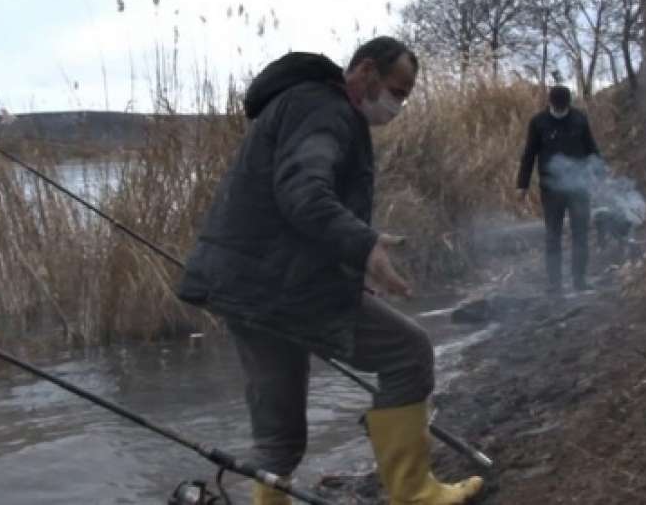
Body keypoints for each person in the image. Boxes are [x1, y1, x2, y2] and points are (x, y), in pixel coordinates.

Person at [177, 36, 483, 505]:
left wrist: (347, 269)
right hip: (280, 288)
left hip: (243, 288)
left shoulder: (301, 104)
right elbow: (304, 193)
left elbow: (291, 214)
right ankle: (415, 494)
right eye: (396, 91)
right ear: (363, 71)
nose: (397, 105)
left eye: (405, 96)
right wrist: (364, 246)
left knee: (279, 437)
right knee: (408, 353)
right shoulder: (326, 111)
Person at [516, 84, 602, 294]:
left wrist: (600, 176)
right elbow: (529, 154)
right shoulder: (538, 122)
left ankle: (579, 281)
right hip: (551, 189)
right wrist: (522, 185)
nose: (560, 111)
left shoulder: (579, 119)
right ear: (550, 103)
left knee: (580, 234)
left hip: (579, 188)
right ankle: (554, 285)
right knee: (552, 235)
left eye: (564, 107)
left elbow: (592, 149)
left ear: (569, 103)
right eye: (557, 107)